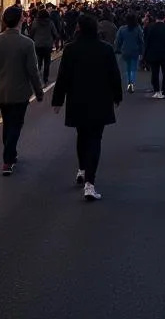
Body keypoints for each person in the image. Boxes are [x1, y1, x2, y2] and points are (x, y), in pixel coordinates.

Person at [51, 13, 123, 201]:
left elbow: (63, 77)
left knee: (82, 135)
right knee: (95, 139)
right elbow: (114, 75)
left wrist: (58, 100)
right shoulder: (105, 49)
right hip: (100, 99)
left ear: (79, 29)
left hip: (77, 99)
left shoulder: (70, 49)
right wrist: (118, 96)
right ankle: (90, 183)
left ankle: (82, 170)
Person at [0, 5, 45, 175]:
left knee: (7, 122)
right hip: (20, 91)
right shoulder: (27, 43)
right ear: (21, 20)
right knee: (16, 125)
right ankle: (8, 159)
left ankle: (11, 153)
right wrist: (39, 91)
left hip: (2, 90)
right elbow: (33, 71)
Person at [144, 9, 165, 98]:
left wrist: (145, 54)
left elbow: (147, 41)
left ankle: (157, 90)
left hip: (153, 53)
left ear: (156, 17)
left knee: (155, 72)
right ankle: (164, 90)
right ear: (164, 17)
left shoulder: (150, 27)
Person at [114, 12, 145, 92]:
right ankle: (131, 83)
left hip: (124, 50)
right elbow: (141, 41)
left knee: (127, 67)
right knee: (133, 68)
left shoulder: (122, 29)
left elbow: (118, 40)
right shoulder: (138, 28)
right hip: (135, 50)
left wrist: (117, 48)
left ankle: (128, 82)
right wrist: (142, 52)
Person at [28, 8, 60, 83]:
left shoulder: (35, 22)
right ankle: (45, 78)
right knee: (47, 62)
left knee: (38, 61)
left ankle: (37, 76)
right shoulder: (50, 22)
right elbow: (55, 33)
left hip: (38, 45)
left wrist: (32, 40)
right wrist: (55, 41)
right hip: (48, 45)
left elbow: (31, 33)